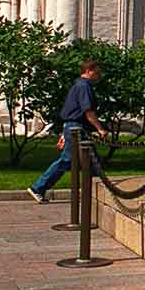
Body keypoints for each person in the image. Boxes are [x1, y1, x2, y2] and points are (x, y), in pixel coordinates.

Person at [28, 59, 106, 203]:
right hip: (77, 128)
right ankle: (38, 187)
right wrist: (100, 129)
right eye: (97, 71)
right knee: (67, 159)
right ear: (89, 71)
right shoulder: (84, 86)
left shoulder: (79, 85)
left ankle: (99, 193)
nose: (99, 74)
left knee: (93, 161)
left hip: (73, 127)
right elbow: (88, 111)